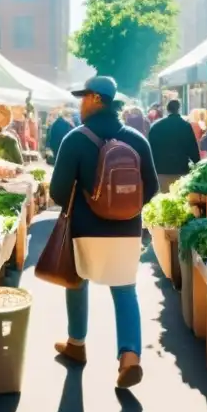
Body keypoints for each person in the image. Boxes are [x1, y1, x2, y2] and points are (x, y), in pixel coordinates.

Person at [48, 76, 158, 388]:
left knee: (76, 281)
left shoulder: (75, 139)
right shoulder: (137, 138)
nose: (80, 103)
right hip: (126, 230)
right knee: (125, 291)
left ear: (96, 99)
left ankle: (76, 344)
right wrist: (124, 208)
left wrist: (88, 202)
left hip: (84, 228)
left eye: (83, 97)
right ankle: (130, 357)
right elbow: (152, 187)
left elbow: (58, 191)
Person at [148, 99, 200, 192]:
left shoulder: (156, 126)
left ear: (167, 109)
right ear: (178, 109)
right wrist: (198, 164)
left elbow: (150, 149)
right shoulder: (185, 126)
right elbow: (192, 149)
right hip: (180, 170)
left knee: (162, 202)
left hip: (160, 170)